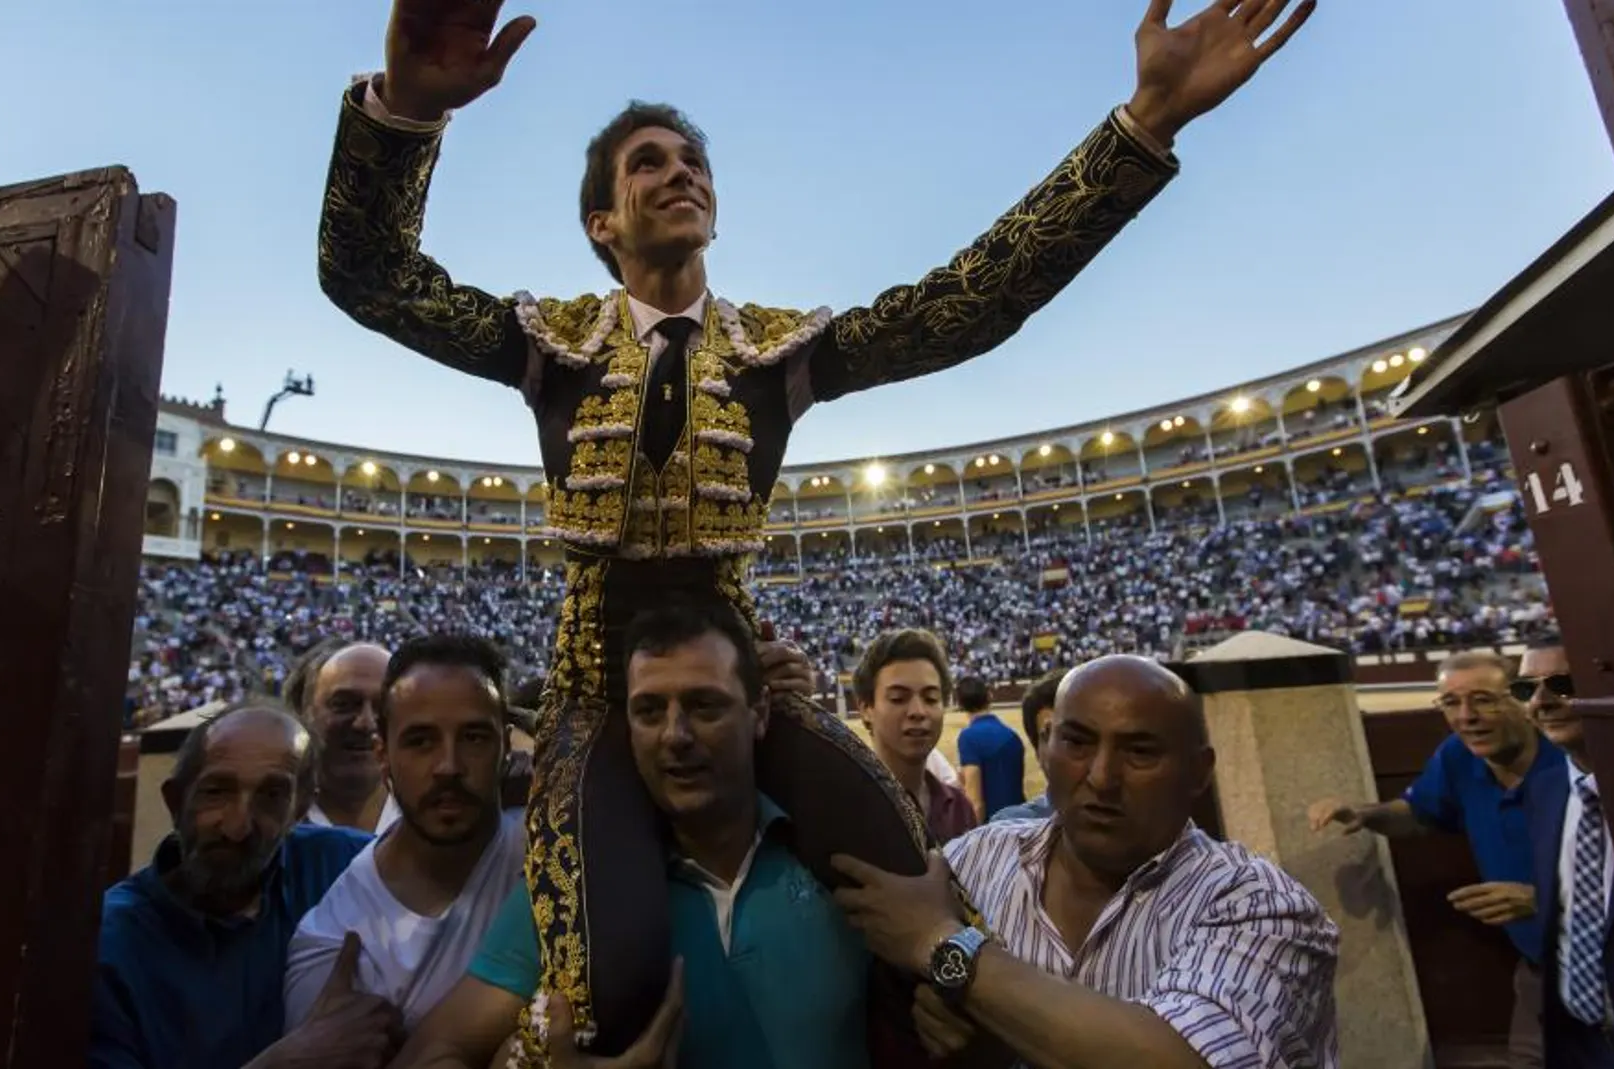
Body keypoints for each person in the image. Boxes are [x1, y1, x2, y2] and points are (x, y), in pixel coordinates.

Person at [318, 0, 1314, 1054]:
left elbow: (968, 303)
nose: (679, 173)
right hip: (593, 689)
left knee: (911, 886)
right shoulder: (549, 340)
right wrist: (405, 114)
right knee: (608, 975)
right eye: (646, 164)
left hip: (747, 678)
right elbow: (370, 275)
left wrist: (1141, 127)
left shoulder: (774, 352)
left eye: (693, 159)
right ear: (602, 224)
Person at [399, 603, 881, 1069]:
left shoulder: (837, 858)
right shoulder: (579, 882)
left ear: (759, 711)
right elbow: (430, 1053)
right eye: (649, 711)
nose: (675, 735)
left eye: (704, 705)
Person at [830, 656, 1340, 1068]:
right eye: (1076, 742)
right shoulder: (974, 860)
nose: (1101, 776)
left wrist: (945, 946)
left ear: (1199, 771)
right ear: (1047, 748)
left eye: (1139, 751)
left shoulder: (1263, 907)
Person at [90, 704, 401, 1069]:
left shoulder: (347, 866)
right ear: (176, 802)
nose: (238, 826)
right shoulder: (110, 945)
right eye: (216, 791)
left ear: (300, 810)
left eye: (272, 797)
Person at [1308, 650, 1566, 1069]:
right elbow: (1419, 814)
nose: (1466, 716)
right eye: (1450, 703)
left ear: (1521, 698)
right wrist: (1365, 814)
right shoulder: (1458, 757)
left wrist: (1545, 901)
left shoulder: (1573, 760)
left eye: (1484, 698)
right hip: (1539, 969)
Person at [285, 635, 527, 1032]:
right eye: (420, 741)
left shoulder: (555, 847)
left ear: (507, 744)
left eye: (474, 737)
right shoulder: (332, 944)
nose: (448, 766)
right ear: (383, 756)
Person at [1517, 641, 1614, 1068]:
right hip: (1581, 1041)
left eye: (1561, 685)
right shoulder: (1545, 789)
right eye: (1524, 689)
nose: (1541, 702)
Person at [854, 629, 978, 842]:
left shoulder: (960, 808)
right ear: (866, 709)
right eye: (898, 698)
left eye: (930, 699)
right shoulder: (842, 806)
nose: (918, 711)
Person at [287, 640, 401, 836]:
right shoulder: (271, 827)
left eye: (383, 705)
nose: (366, 724)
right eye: (344, 704)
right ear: (304, 713)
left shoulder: (429, 818)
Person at [990, 670, 1065, 822]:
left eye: (1079, 737)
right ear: (1038, 752)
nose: (1066, 748)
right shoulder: (1008, 827)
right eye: (1049, 735)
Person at [953, 675, 1026, 822]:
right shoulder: (1013, 736)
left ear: (960, 704)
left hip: (992, 828)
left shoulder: (968, 737)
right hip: (1021, 821)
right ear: (989, 696)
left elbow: (976, 803)